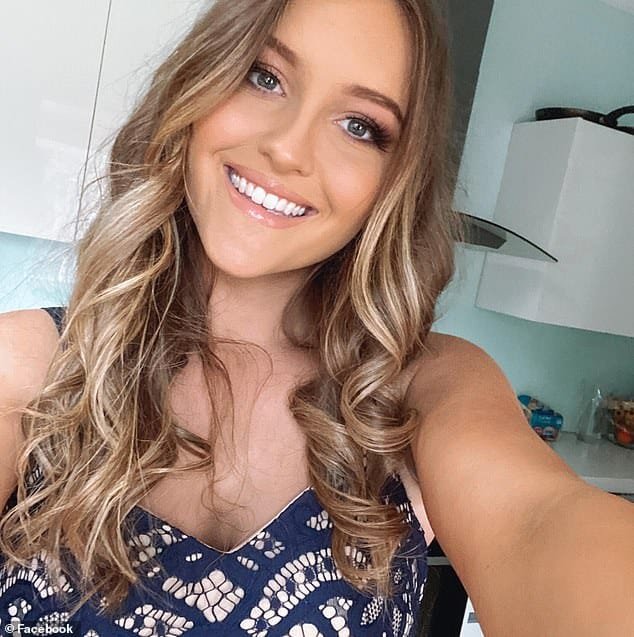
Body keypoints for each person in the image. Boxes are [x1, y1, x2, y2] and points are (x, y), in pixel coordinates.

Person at [1, 0, 633, 635]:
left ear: (395, 182)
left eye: (360, 126)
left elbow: (536, 523)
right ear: (196, 85)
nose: (287, 148)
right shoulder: (34, 362)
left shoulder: (423, 389)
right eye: (263, 76)